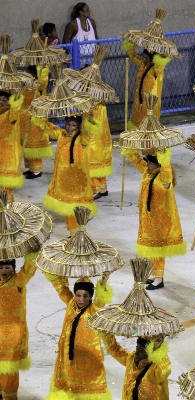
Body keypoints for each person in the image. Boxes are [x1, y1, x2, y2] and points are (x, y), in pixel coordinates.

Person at [121, 149, 186, 290]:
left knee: (158, 248)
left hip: (161, 220)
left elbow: (166, 168)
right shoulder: (148, 172)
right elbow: (138, 161)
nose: (147, 165)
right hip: (148, 218)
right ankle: (156, 274)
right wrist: (130, 150)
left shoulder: (164, 177)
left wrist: (164, 156)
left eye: (149, 163)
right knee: (151, 248)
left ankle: (159, 278)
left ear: (157, 165)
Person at [44, 273, 113, 400]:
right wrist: (54, 269)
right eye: (78, 295)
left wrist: (103, 282)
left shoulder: (93, 310)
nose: (81, 299)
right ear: (74, 295)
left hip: (88, 361)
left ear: (91, 296)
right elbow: (62, 288)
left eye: (85, 296)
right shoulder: (71, 304)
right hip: (68, 361)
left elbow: (101, 300)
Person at [41, 115, 98, 236]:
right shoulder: (61, 134)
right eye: (68, 124)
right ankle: (72, 233)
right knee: (66, 206)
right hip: (63, 177)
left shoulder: (81, 138)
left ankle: (76, 234)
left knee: (74, 207)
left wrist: (90, 118)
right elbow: (48, 127)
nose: (70, 128)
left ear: (78, 127)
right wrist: (41, 116)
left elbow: (90, 132)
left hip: (76, 179)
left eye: (73, 125)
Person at [0, 253, 38, 400]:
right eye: (1, 267)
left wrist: (32, 252)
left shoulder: (18, 281)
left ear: (14, 269)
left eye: (8, 267)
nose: (4, 270)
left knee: (10, 369)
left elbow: (29, 269)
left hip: (14, 335)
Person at [103, 335, 170, 400]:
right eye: (136, 348)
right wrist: (106, 334)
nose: (136, 353)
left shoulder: (155, 368)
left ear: (148, 354)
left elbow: (166, 369)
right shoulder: (131, 358)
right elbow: (115, 350)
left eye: (140, 351)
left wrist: (158, 350)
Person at [122, 41, 171, 129]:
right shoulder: (143, 65)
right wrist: (131, 46)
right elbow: (133, 57)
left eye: (146, 58)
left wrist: (163, 56)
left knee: (149, 127)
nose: (143, 59)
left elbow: (160, 65)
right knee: (136, 124)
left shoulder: (156, 71)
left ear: (152, 59)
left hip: (151, 103)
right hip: (139, 101)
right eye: (143, 57)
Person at [22, 67, 51, 179]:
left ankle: (37, 170)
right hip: (25, 120)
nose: (27, 75)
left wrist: (41, 70)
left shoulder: (39, 86)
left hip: (35, 120)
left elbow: (43, 81)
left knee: (34, 146)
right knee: (27, 144)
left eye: (30, 73)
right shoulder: (26, 86)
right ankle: (30, 168)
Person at [84, 103, 112, 200]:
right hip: (103, 139)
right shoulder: (102, 103)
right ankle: (102, 187)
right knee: (100, 162)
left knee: (91, 162)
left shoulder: (90, 105)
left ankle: (95, 190)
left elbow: (91, 125)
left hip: (93, 139)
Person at [0, 91, 24, 203]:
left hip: (8, 155)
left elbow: (15, 109)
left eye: (4, 100)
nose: (1, 102)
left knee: (5, 185)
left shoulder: (12, 114)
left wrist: (16, 100)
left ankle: (7, 212)